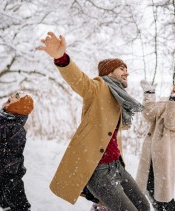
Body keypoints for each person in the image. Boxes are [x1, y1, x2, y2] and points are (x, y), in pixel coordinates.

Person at [37, 32, 150, 211]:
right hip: (98, 169)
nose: (126, 72)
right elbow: (80, 81)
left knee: (143, 206)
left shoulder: (119, 96)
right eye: (122, 68)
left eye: (126, 69)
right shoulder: (99, 88)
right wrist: (61, 58)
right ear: (109, 72)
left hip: (116, 166)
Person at [136, 79, 175, 211]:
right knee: (149, 188)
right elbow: (149, 115)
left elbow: (171, 122)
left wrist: (174, 101)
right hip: (150, 153)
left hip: (167, 155)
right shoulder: (164, 101)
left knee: (163, 195)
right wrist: (149, 94)